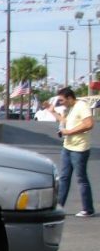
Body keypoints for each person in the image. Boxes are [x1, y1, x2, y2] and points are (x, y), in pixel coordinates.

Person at [48, 87, 95, 217]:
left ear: (69, 98)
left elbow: (89, 124)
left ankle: (88, 209)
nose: (61, 102)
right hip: (68, 147)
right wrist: (52, 112)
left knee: (81, 178)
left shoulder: (82, 106)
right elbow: (65, 122)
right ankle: (59, 206)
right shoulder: (71, 109)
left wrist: (68, 132)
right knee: (63, 178)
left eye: (62, 100)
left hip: (79, 149)